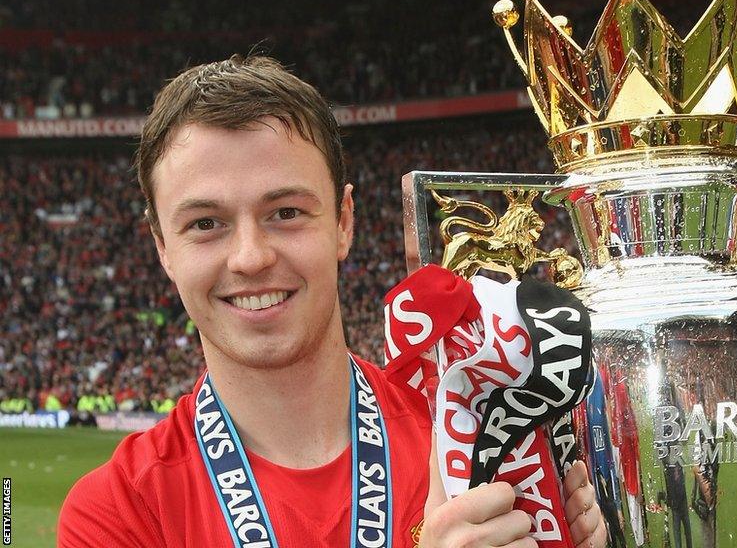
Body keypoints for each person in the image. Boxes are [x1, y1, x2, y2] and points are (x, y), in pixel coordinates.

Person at [57, 55, 606, 548]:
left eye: (286, 212)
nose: (250, 257)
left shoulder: (486, 441)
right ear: (163, 249)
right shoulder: (117, 514)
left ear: (344, 222)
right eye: (205, 223)